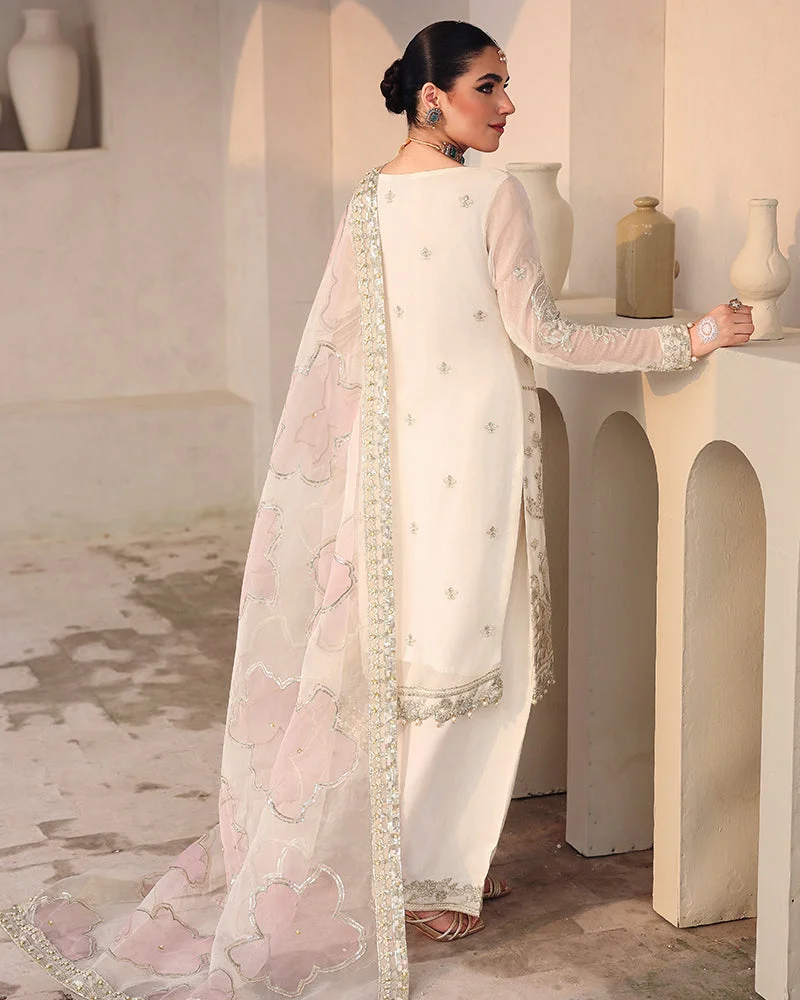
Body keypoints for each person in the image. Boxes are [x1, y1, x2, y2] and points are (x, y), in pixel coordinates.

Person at [0, 19, 753, 1000]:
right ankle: (424, 878)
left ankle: (419, 863)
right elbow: (545, 335)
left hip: (398, 466)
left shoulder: (370, 199)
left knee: (418, 665)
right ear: (432, 96)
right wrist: (688, 338)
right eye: (489, 86)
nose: (507, 105)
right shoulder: (492, 194)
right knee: (471, 664)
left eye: (506, 84)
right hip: (470, 459)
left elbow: (345, 355)